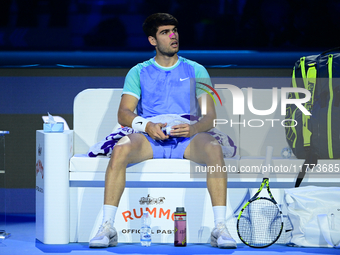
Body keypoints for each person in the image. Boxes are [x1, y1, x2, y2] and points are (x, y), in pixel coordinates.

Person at [89, 13, 237, 249]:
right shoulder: (138, 72)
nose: (173, 35)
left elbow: (209, 117)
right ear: (152, 41)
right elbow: (124, 113)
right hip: (150, 137)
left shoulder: (197, 70)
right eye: (165, 32)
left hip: (187, 137)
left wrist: (193, 128)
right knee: (120, 149)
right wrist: (147, 125)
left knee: (213, 148)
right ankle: (107, 226)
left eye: (175, 30)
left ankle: (220, 228)